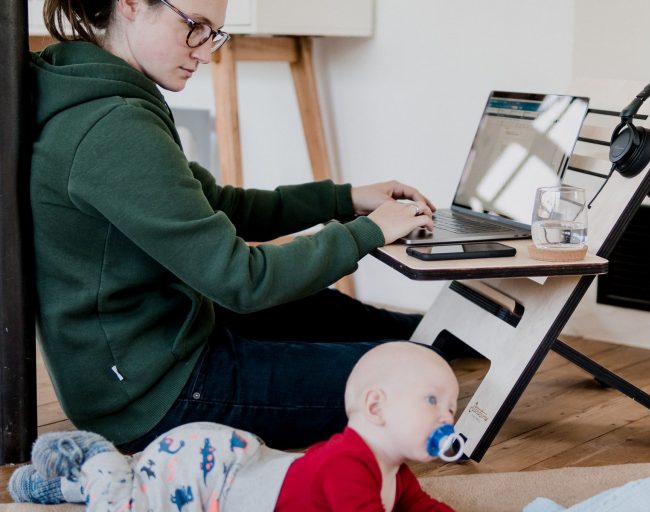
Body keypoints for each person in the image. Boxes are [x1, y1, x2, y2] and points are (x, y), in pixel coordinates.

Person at [30, 0, 436, 456]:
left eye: (214, 33)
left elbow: (220, 205)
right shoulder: (112, 125)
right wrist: (370, 232)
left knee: (335, 313)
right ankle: (433, 350)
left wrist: (344, 199)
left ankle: (437, 335)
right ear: (129, 3)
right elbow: (241, 279)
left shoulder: (97, 89)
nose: (206, 53)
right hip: (154, 395)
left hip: (166, 341)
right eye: (194, 27)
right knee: (408, 381)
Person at [10, 342, 459, 511]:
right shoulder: (347, 466)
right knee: (126, 503)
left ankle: (58, 487)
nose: (447, 416)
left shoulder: (394, 473)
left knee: (142, 481)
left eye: (453, 408)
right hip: (207, 478)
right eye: (433, 401)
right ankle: (93, 457)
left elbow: (423, 508)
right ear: (376, 406)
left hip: (238, 459)